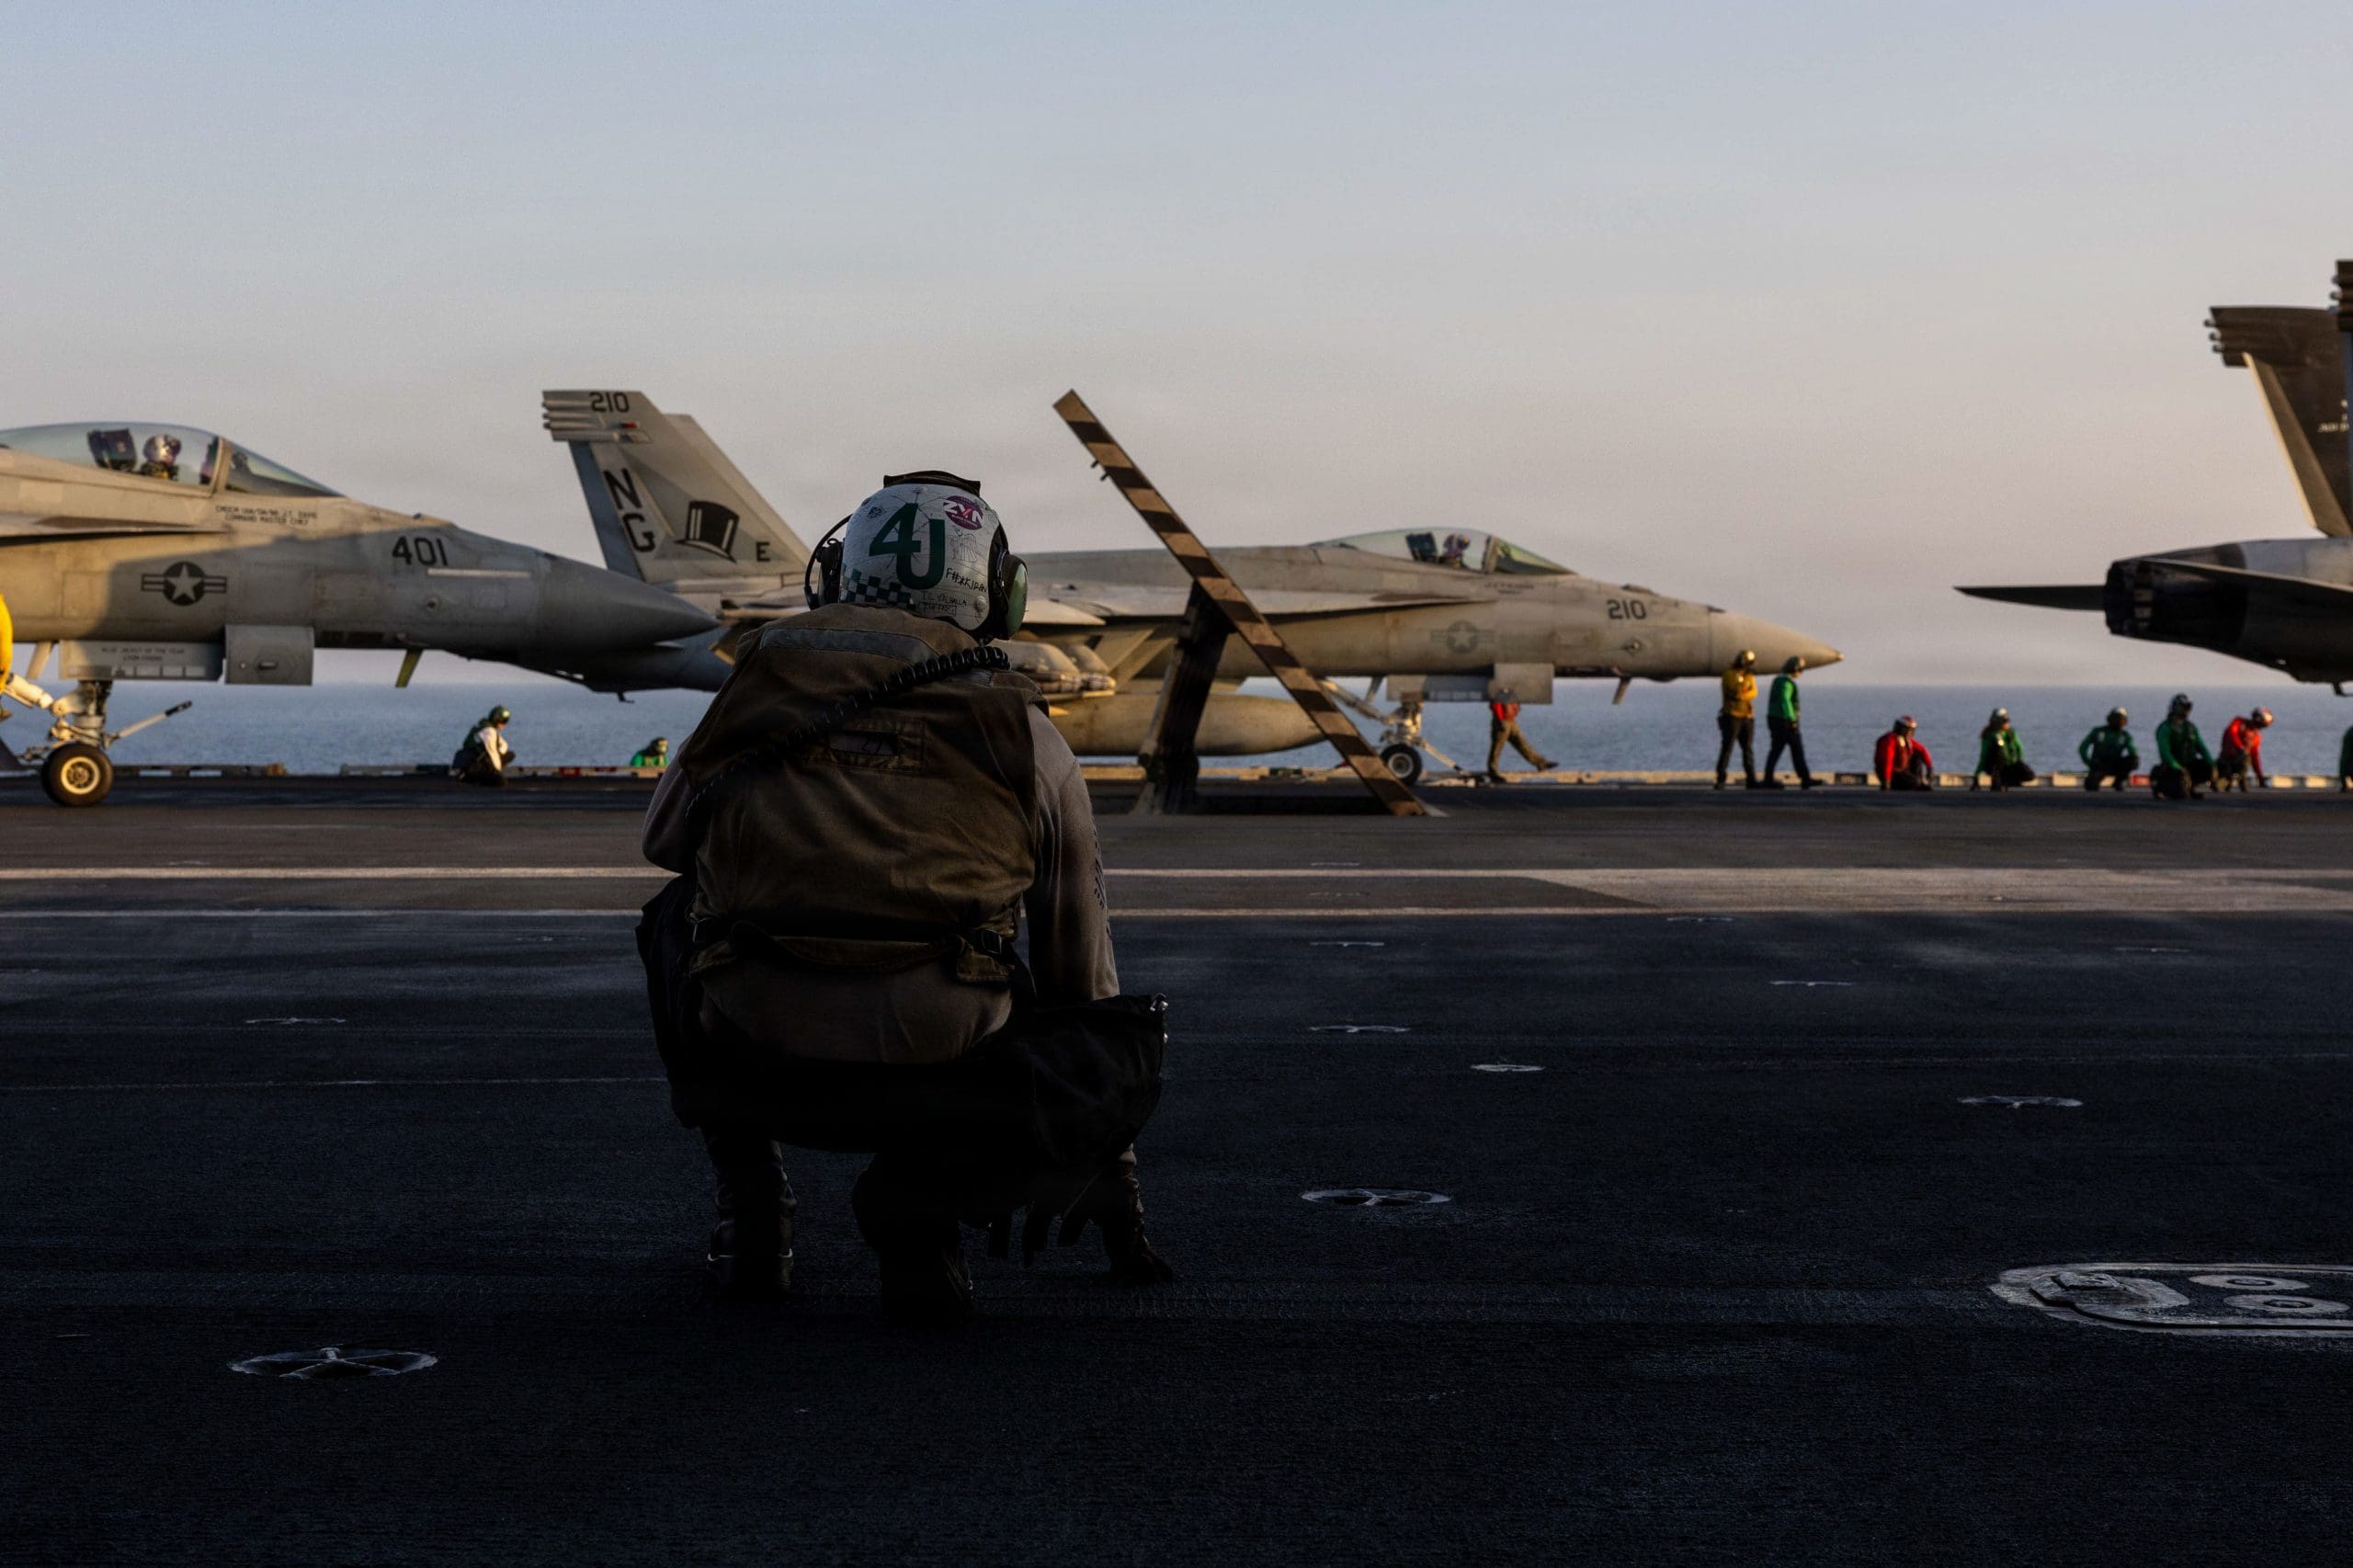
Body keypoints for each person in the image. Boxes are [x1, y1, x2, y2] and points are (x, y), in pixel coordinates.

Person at [638, 472, 1169, 1325]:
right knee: (1067, 1006)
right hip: (943, 1066)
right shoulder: (1023, 729)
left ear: (837, 572)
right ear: (999, 593)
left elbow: (663, 844)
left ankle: (753, 1213)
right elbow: (1081, 972)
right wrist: (1112, 1167)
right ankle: (919, 1216)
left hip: (752, 1049)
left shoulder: (755, 683)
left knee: (672, 919)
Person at [1760, 655, 1818, 789]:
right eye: (1800, 670)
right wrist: (1792, 719)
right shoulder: (1786, 683)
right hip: (1784, 721)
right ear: (1795, 669)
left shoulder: (1777, 680)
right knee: (1797, 749)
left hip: (1774, 719)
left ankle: (1768, 778)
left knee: (1776, 750)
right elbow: (1785, 701)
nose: (1800, 673)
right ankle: (1805, 778)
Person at [2150, 693, 2213, 801]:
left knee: (2208, 768)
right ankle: (2160, 787)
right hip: (2172, 767)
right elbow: (2165, 752)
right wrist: (2178, 767)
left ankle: (2191, 787)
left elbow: (2201, 747)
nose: (2187, 710)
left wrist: (2212, 765)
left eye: (2189, 707)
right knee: (2179, 794)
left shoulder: (2190, 727)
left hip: (2189, 765)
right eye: (2185, 707)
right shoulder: (2166, 727)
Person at [1714, 650, 1758, 790]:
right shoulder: (1728, 675)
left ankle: (1751, 779)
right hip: (1731, 717)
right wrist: (1744, 688)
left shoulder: (1748, 676)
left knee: (1748, 750)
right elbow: (1735, 691)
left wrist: (1744, 692)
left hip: (1746, 717)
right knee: (1727, 748)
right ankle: (1721, 778)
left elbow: (1753, 692)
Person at [1485, 699, 1557, 783]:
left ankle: (1540, 763)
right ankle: (1493, 771)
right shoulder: (1499, 690)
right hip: (1502, 721)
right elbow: (1495, 704)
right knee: (1497, 748)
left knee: (1522, 744)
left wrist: (1516, 709)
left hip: (1510, 720)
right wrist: (1500, 719)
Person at [1972, 708, 2035, 791]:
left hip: (2010, 764)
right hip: (1995, 767)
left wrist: (2018, 762)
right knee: (1998, 751)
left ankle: (2009, 781)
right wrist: (1976, 776)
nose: (2007, 723)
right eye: (2004, 721)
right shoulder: (1990, 736)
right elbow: (1983, 756)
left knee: (2029, 775)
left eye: (2007, 720)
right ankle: (1999, 780)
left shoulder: (2011, 733)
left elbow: (2019, 748)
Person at [2077, 708, 2139, 792]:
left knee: (2134, 760)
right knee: (2091, 786)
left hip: (2115, 764)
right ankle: (2099, 780)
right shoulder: (2098, 732)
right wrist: (2089, 763)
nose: (2118, 721)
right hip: (2099, 765)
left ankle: (2119, 781)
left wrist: (2088, 761)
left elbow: (2133, 754)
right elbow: (2082, 748)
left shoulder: (2125, 736)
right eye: (2116, 718)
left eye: (2120, 719)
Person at [451, 705, 513, 787]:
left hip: (476, 759)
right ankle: (476, 777)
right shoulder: (489, 731)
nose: (504, 724)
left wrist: (499, 752)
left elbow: (504, 744)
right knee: (501, 783)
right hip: (474, 761)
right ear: (496, 719)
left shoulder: (486, 727)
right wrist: (497, 772)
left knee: (510, 755)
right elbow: (492, 752)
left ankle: (481, 776)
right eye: (503, 721)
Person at [2214, 708, 2273, 791]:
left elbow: (2255, 757)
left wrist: (2260, 776)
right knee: (2217, 781)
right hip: (2225, 760)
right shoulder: (2239, 722)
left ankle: (2236, 779)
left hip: (2237, 764)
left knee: (2246, 758)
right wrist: (2240, 747)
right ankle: (2230, 779)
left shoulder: (2256, 737)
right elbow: (2231, 732)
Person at [1872, 716, 1934, 790]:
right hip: (1892, 774)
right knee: (1914, 782)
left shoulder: (1906, 740)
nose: (1910, 732)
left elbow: (1922, 750)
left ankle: (1920, 782)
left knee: (1917, 756)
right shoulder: (1890, 740)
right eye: (1908, 729)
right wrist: (1887, 781)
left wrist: (1929, 768)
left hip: (1903, 771)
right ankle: (1913, 784)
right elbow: (1887, 761)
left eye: (1912, 730)